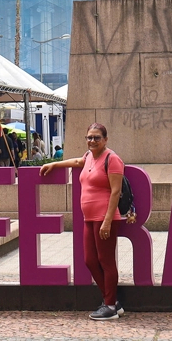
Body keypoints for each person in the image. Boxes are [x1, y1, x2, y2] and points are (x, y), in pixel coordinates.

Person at [40, 123, 133, 321]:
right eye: (89, 137)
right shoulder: (89, 156)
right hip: (89, 218)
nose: (92, 141)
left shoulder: (112, 159)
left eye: (97, 137)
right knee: (90, 260)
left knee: (106, 261)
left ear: (105, 139)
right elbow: (77, 161)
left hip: (104, 218)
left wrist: (107, 221)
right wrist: (55, 164)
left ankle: (110, 306)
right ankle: (112, 301)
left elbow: (116, 191)